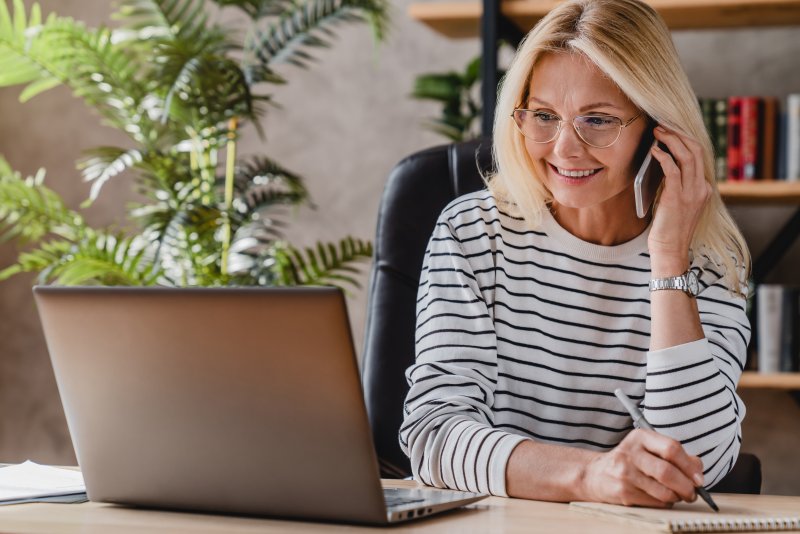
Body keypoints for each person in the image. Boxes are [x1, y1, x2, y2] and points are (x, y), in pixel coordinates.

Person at [400, 0, 751, 508]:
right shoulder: (472, 232)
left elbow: (692, 465)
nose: (564, 148)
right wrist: (590, 476)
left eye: (598, 120)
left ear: (658, 130)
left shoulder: (712, 260)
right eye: (543, 116)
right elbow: (433, 437)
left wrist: (669, 257)